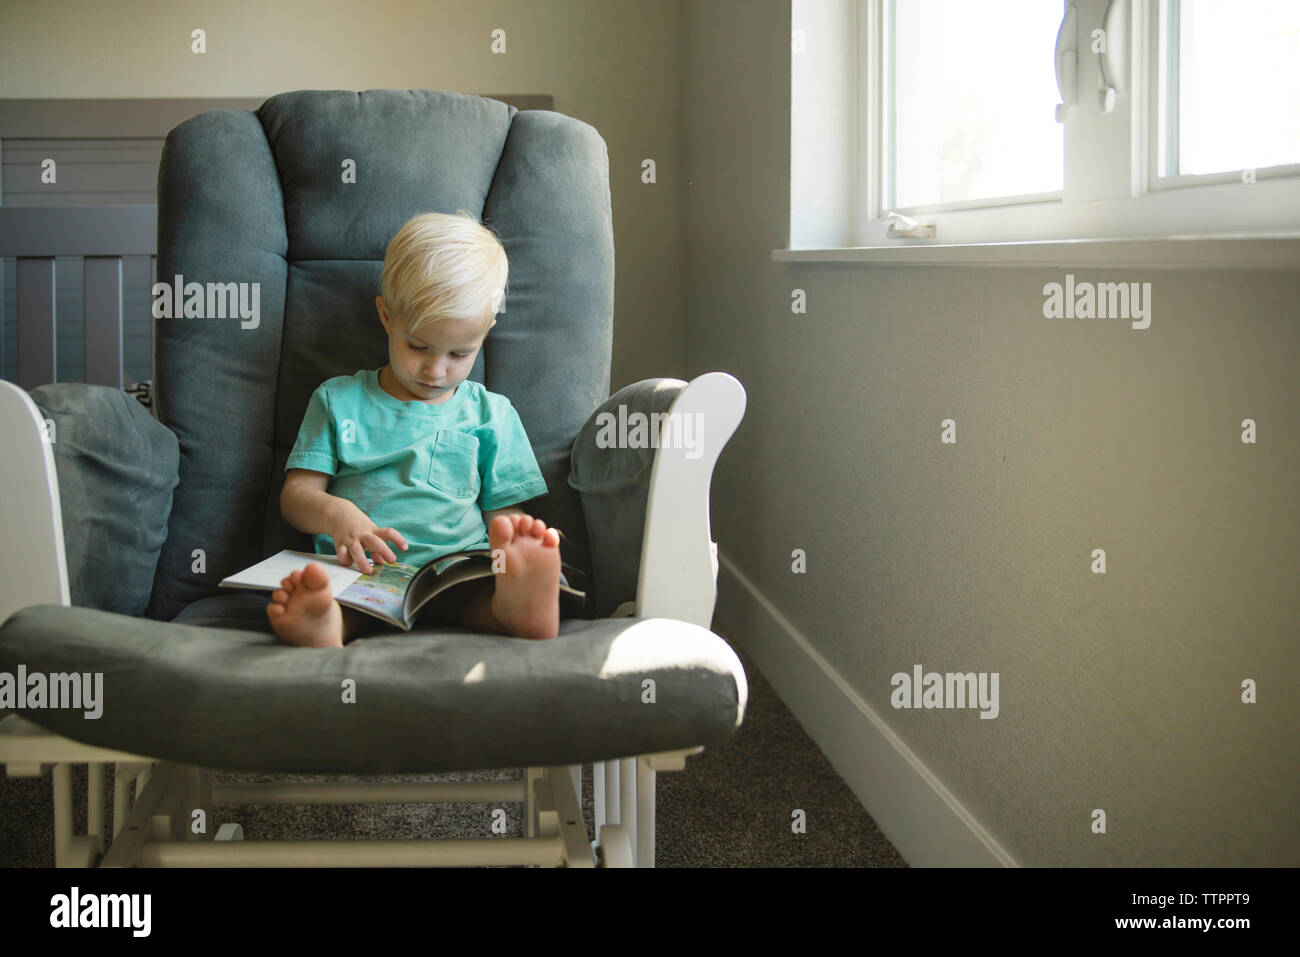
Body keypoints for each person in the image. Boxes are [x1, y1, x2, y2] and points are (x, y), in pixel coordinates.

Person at [266, 210, 563, 648]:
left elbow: (503, 514)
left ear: (486, 332)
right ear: (386, 316)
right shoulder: (338, 401)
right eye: (418, 346)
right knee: (343, 600)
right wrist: (337, 516)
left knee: (484, 595)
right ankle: (322, 621)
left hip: (457, 574)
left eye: (460, 353)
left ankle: (520, 606)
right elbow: (296, 497)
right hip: (362, 574)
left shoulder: (491, 414)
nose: (436, 370)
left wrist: (517, 541)